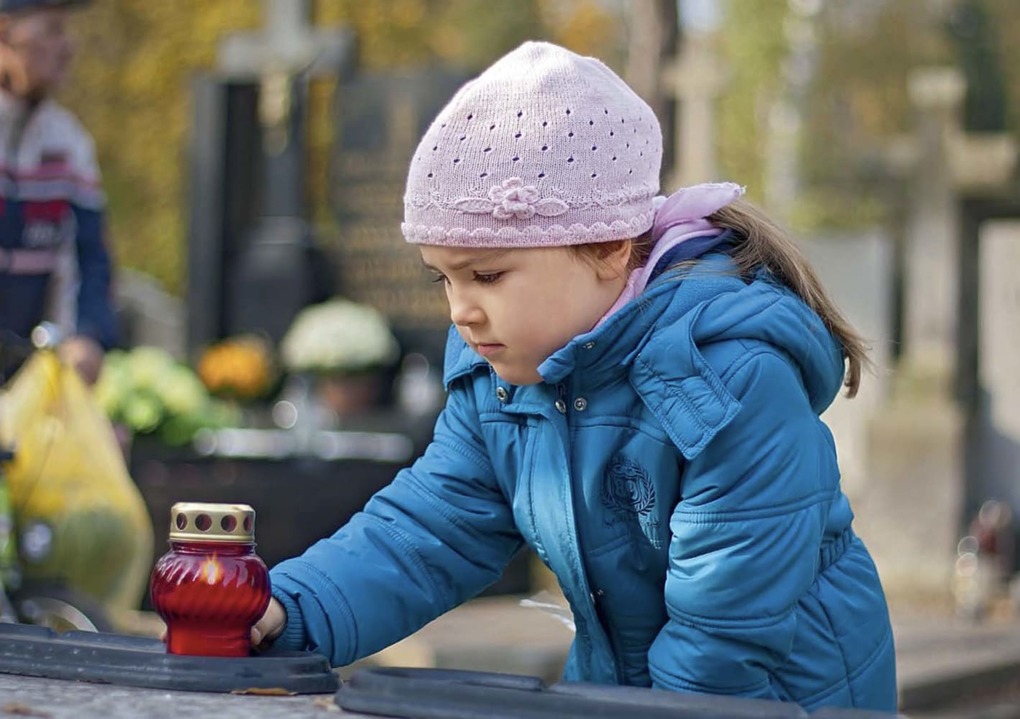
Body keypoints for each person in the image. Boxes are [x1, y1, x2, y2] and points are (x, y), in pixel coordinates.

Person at [255, 42, 897, 712]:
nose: (460, 310)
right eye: (442, 277)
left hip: (780, 697)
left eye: (487, 274)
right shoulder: (503, 380)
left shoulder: (730, 376)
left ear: (610, 246)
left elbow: (723, 629)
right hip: (625, 693)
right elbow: (426, 532)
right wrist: (288, 607)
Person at [0, 0, 116, 385]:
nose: (68, 47)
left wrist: (87, 335)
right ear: (4, 34)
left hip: (26, 379)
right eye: (51, 30)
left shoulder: (68, 143)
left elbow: (91, 258)